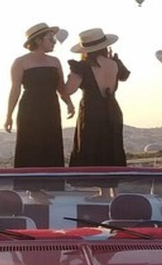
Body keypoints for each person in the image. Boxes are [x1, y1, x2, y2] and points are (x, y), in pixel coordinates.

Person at [5, 23, 75, 168]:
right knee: (30, 144)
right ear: (38, 41)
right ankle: (31, 188)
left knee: (51, 143)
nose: (54, 42)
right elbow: (15, 89)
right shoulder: (20, 62)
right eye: (50, 39)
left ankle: (51, 185)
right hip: (29, 109)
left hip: (51, 108)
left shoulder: (55, 61)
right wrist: (9, 115)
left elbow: (60, 86)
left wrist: (69, 103)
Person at [65, 28, 130, 167]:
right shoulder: (114, 63)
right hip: (112, 110)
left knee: (91, 150)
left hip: (91, 112)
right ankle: (110, 188)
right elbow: (124, 76)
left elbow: (69, 90)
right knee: (111, 150)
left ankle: (97, 184)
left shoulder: (82, 67)